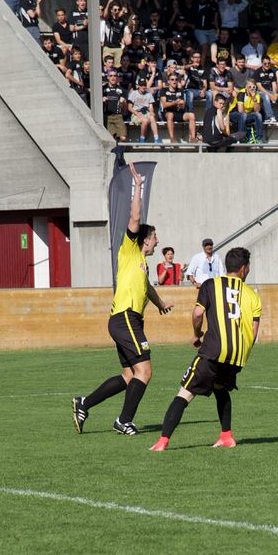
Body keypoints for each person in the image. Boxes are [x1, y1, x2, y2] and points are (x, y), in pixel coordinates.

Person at [72, 165, 172, 436]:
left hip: (125, 320)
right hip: (126, 317)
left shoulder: (141, 264)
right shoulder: (129, 250)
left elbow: (147, 288)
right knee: (145, 371)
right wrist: (138, 187)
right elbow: (134, 217)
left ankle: (84, 404)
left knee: (130, 375)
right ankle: (123, 420)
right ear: (145, 240)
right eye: (154, 237)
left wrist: (161, 304)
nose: (157, 241)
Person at [150, 248, 260, 451]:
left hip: (213, 351)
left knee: (184, 393)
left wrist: (196, 334)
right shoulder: (253, 295)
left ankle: (162, 441)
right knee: (220, 389)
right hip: (237, 357)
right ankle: (226, 436)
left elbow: (198, 313)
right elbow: (253, 334)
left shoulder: (210, 284)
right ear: (244, 269)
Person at [160, 74, 198, 143]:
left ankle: (193, 138)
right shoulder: (164, 90)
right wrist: (175, 102)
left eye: (176, 80)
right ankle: (172, 138)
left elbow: (182, 105)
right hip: (167, 113)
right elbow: (164, 105)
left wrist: (179, 104)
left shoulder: (180, 91)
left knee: (191, 115)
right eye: (172, 80)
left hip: (178, 112)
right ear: (168, 81)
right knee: (170, 114)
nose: (174, 81)